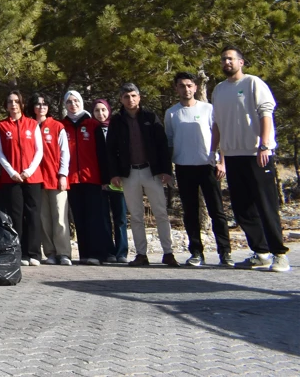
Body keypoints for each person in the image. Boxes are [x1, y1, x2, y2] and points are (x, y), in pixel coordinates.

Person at [212, 47, 288, 272]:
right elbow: (217, 123)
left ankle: (279, 254)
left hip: (257, 154)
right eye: (223, 59)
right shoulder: (218, 89)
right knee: (242, 208)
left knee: (266, 206)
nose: (226, 62)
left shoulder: (253, 83)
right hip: (233, 156)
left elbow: (266, 113)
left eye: (230, 58)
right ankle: (261, 252)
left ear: (241, 62)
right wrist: (214, 150)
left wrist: (264, 146)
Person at [106, 83, 174, 267]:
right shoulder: (117, 120)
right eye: (126, 97)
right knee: (136, 216)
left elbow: (162, 145)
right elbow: (110, 150)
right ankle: (141, 255)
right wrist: (114, 174)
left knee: (161, 213)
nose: (131, 100)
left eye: (134, 96)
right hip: (128, 174)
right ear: (121, 99)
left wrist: (166, 170)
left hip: (151, 172)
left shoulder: (150, 117)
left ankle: (168, 253)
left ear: (139, 97)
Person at [167, 71, 230, 268]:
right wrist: (168, 169)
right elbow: (169, 142)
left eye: (189, 85)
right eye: (181, 86)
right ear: (176, 89)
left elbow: (221, 136)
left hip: (208, 166)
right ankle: (196, 252)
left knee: (217, 211)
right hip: (184, 167)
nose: (186, 89)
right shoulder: (171, 113)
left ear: (195, 87)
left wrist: (222, 162)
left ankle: (225, 253)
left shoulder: (208, 109)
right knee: (190, 212)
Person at [0, 91, 44, 266]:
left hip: (32, 177)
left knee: (33, 215)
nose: (13, 105)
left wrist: (28, 171)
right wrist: (11, 172)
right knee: (16, 216)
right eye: (10, 102)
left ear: (21, 104)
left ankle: (34, 253)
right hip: (12, 179)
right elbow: (0, 153)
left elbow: (39, 151)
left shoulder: (32, 124)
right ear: (6, 105)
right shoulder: (0, 126)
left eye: (16, 101)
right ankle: (20, 253)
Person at [61, 90, 110, 266]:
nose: (72, 104)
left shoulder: (92, 125)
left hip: (92, 178)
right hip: (72, 179)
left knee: (94, 217)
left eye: (75, 101)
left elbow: (102, 153)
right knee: (79, 217)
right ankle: (84, 253)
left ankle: (98, 253)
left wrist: (105, 178)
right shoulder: (62, 126)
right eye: (69, 102)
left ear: (81, 102)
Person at [32, 93, 72, 265]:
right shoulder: (29, 125)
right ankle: (50, 253)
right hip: (36, 179)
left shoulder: (57, 126)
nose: (41, 107)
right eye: (38, 104)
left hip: (56, 178)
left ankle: (64, 253)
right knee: (44, 219)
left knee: (60, 217)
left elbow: (65, 152)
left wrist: (63, 174)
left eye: (45, 104)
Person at [93, 99, 129, 264]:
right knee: (104, 218)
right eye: (97, 111)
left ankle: (122, 251)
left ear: (109, 110)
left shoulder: (117, 127)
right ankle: (109, 252)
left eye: (103, 110)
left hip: (119, 180)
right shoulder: (93, 130)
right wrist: (102, 180)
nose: (101, 114)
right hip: (101, 181)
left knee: (120, 217)